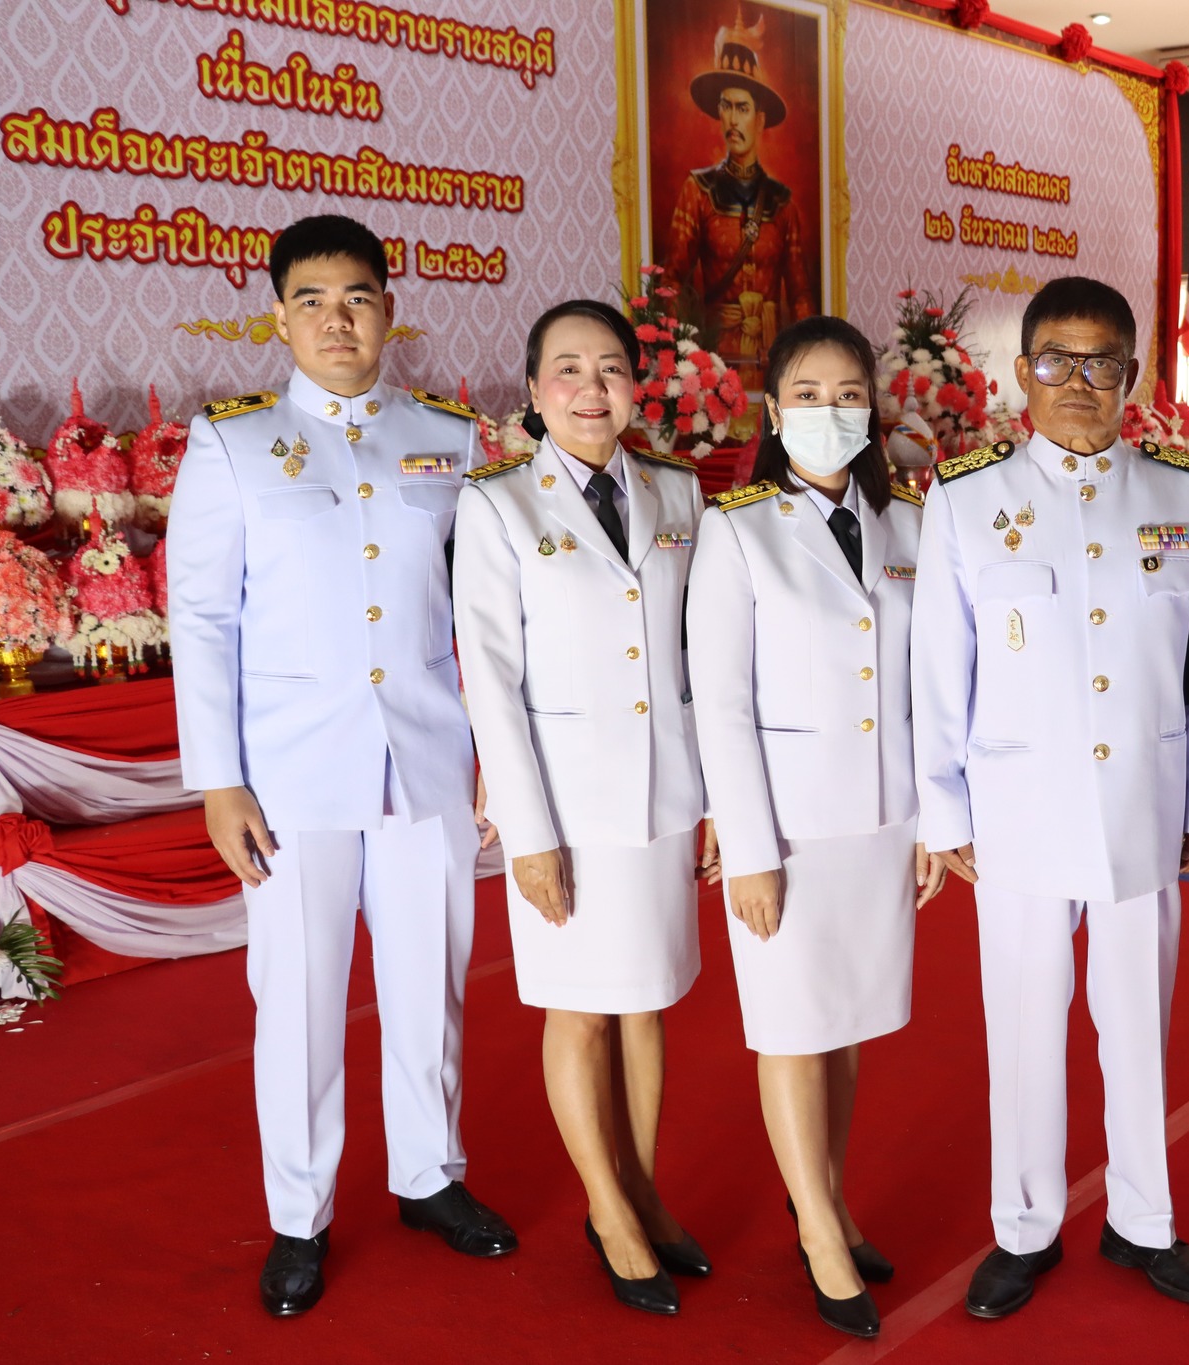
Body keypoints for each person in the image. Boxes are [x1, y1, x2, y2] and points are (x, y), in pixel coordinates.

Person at [167, 213, 515, 1318]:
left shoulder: (448, 439)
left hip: (425, 757)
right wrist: (218, 779)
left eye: (357, 298)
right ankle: (299, 1214)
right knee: (301, 1001)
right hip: (290, 776)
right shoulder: (233, 444)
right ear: (280, 319)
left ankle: (429, 1176)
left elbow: (486, 613)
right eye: (312, 302)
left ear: (388, 312)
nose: (336, 320)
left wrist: (498, 756)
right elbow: (201, 618)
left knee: (430, 984)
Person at [912, 276, 1189, 1321]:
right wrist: (944, 811)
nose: (1078, 381)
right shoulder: (967, 499)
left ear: (1132, 374)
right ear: (1022, 373)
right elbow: (938, 670)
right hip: (1017, 806)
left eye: (1102, 362)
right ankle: (1023, 1226)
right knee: (1022, 1023)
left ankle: (1145, 1220)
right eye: (1056, 359)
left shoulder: (1181, 493)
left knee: (1137, 1021)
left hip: (1144, 796)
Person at [452, 299, 715, 1316]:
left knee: (647, 1001)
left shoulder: (678, 491)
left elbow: (700, 654)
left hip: (664, 791)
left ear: (636, 386)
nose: (590, 388)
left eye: (610, 368)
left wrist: (715, 798)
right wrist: (528, 834)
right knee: (581, 1009)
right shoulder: (498, 505)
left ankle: (643, 1190)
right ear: (533, 390)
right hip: (564, 802)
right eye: (567, 369)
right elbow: (491, 679)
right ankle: (607, 1209)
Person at [687, 315, 943, 1340]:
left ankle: (826, 1201)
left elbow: (931, 689)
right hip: (787, 830)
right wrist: (747, 849)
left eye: (847, 396)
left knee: (845, 1026)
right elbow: (721, 703)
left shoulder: (909, 524)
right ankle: (821, 1238)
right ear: (771, 409)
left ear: (872, 410)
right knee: (792, 1029)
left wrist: (930, 821)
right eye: (807, 394)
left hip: (881, 821)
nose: (828, 412)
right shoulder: (738, 528)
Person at [663, 8, 814, 384]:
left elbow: (800, 296)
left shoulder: (782, 202)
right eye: (726, 106)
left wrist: (808, 366)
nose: (732, 119)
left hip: (772, 361)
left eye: (742, 108)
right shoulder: (698, 190)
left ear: (759, 119)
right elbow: (672, 282)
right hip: (713, 364)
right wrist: (683, 356)